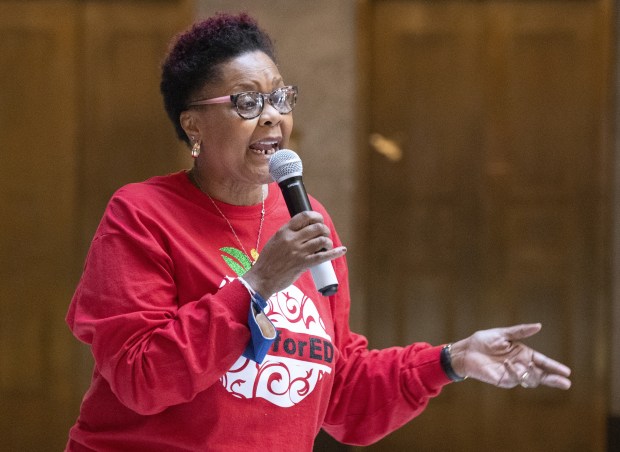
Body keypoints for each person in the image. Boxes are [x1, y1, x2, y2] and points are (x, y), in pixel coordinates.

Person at [65, 12, 572, 452]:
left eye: (280, 98)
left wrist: (450, 360)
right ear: (193, 124)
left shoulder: (306, 218)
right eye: (246, 103)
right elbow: (141, 377)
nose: (272, 117)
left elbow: (342, 391)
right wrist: (257, 285)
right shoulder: (143, 213)